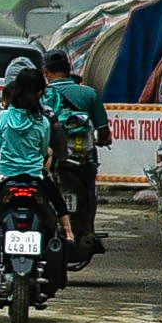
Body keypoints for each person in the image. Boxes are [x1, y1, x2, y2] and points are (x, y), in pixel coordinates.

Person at [0, 60, 68, 257]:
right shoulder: (45, 118)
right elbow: (44, 148)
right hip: (35, 175)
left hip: (5, 174)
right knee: (56, 197)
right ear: (40, 92)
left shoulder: (1, 115)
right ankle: (69, 234)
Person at [44, 49, 111, 256]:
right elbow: (103, 130)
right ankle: (88, 229)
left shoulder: (43, 95)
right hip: (83, 160)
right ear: (69, 69)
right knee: (89, 195)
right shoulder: (88, 93)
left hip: (51, 160)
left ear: (46, 72)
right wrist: (103, 140)